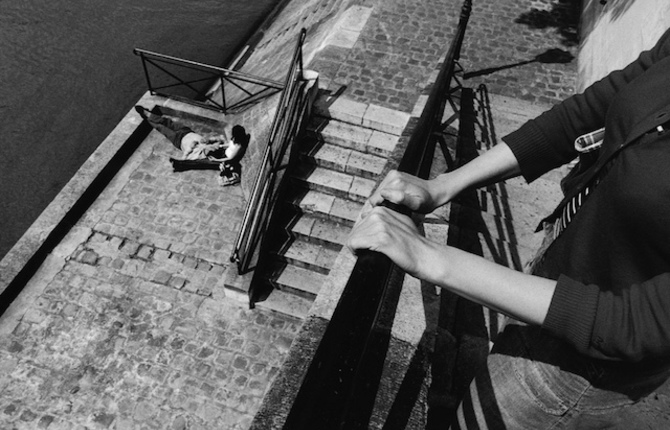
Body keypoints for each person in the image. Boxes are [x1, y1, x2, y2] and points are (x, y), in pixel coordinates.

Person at [347, 27, 670, 428]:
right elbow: (592, 109)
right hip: (559, 268)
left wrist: (427, 255)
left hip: (580, 364)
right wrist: (442, 185)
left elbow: (636, 323)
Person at [135, 105, 249, 186]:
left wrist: (193, 148)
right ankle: (148, 114)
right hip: (187, 131)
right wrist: (213, 141)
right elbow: (224, 144)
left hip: (178, 140)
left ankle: (148, 118)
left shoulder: (203, 155)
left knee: (162, 128)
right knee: (166, 121)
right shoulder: (228, 145)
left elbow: (185, 158)